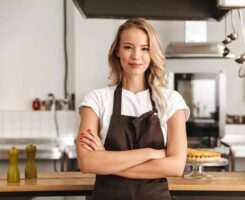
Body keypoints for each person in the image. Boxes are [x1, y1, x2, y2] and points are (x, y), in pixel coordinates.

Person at [76, 18, 190, 200]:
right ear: (117, 51)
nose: (136, 56)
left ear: (152, 53)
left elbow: (175, 167)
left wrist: (106, 160)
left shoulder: (171, 100)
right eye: (128, 47)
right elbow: (87, 163)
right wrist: (150, 153)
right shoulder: (96, 100)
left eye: (144, 48)